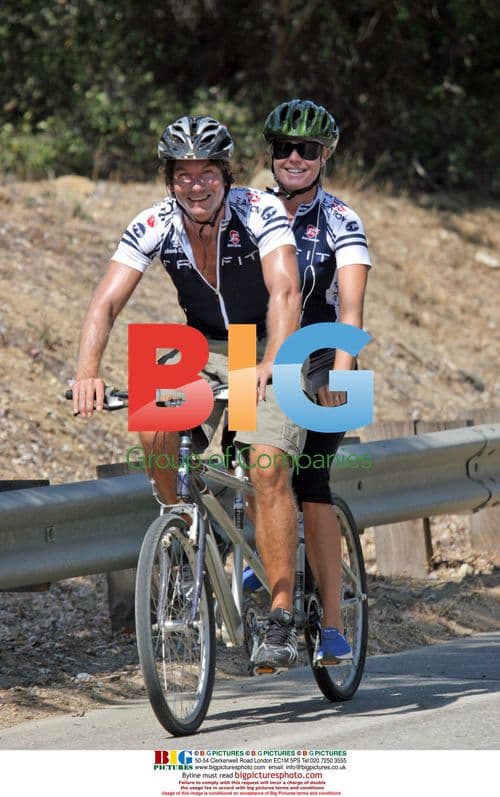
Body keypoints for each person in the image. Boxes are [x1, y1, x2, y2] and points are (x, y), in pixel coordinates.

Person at [71, 115, 304, 674]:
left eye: (206, 173)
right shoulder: (154, 223)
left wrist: (272, 362)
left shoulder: (259, 211)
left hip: (268, 341)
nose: (195, 185)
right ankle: (188, 530)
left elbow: (285, 289)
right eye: (182, 175)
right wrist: (87, 371)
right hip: (200, 348)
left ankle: (278, 617)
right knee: (152, 427)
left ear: (225, 174)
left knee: (266, 465)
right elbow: (104, 304)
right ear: (169, 179)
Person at [262, 99, 372, 664]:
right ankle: (262, 563)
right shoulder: (248, 210)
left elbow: (351, 309)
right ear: (271, 154)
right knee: (254, 469)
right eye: (285, 148)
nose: (295, 158)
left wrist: (341, 378)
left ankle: (332, 624)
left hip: (321, 357)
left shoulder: (340, 219)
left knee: (310, 484)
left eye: (308, 150)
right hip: (255, 351)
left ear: (325, 156)